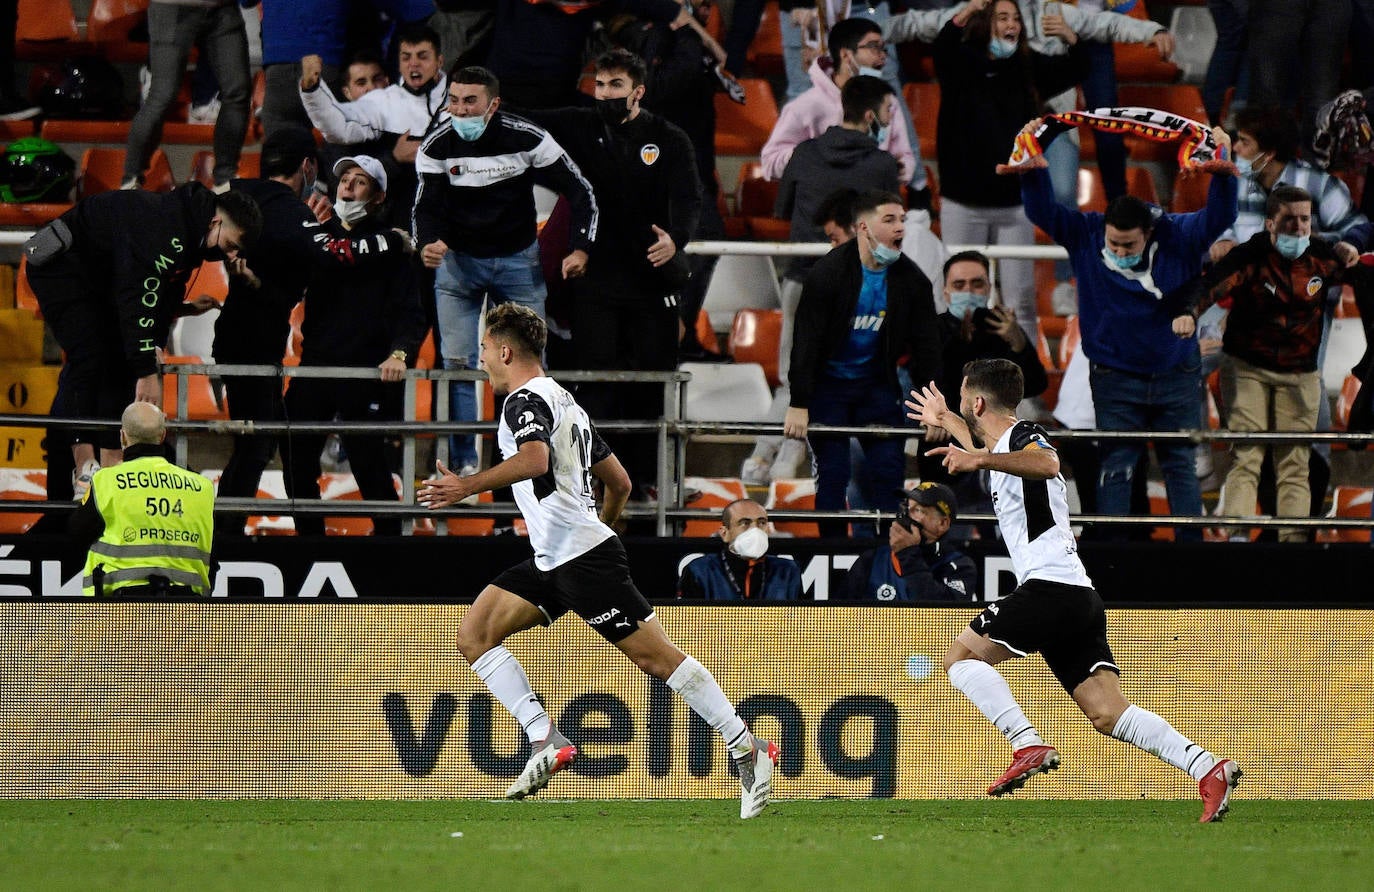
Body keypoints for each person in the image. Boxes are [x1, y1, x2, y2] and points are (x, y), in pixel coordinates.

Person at [417, 303, 778, 819]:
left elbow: (535, 459)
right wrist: (604, 525)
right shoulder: (567, 403)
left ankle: (748, 747)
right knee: (474, 634)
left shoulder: (524, 400)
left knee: (657, 659)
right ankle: (545, 738)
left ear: (503, 349)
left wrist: (467, 486)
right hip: (558, 556)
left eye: (483, 351)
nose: (482, 363)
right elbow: (621, 482)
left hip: (580, 558)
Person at [907, 358, 1240, 823]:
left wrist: (976, 455)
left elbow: (1046, 461)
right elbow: (989, 446)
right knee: (1107, 713)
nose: (963, 407)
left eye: (964, 399)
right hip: (1076, 595)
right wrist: (948, 421)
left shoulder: (1025, 437)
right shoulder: (1003, 445)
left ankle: (1026, 744)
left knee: (960, 660)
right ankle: (1208, 767)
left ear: (978, 401)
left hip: (1050, 588)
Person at [1019, 116, 1238, 541]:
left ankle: (1191, 565)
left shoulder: (1178, 234)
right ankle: (1115, 560)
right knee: (1116, 467)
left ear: (1150, 232)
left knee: (1180, 468)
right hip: (1115, 377)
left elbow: (1222, 212)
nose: (1118, 251)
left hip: (1175, 374)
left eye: (1129, 245)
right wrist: (1033, 158)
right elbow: (1040, 210)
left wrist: (1222, 169)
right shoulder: (1087, 232)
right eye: (1113, 244)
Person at [519, 48, 701, 500]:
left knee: (652, 387)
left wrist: (676, 239)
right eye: (599, 85)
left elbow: (690, 199)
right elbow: (527, 119)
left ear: (637, 91)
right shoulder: (581, 126)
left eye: (615, 86)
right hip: (596, 281)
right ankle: (597, 482)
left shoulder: (670, 139)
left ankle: (650, 482)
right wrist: (485, 104)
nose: (605, 94)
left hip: (652, 281)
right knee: (596, 386)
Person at [414, 64, 597, 478]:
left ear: (493, 104)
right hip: (458, 264)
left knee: (528, 365)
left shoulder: (528, 137)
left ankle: (530, 457)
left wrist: (580, 247)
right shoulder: (437, 144)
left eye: (470, 101)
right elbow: (423, 207)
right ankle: (464, 461)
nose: (459, 110)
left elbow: (580, 189)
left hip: (518, 262)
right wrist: (426, 241)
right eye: (454, 100)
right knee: (458, 363)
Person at [24, 182, 262, 500]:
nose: (230, 255)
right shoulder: (168, 229)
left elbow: (159, 295)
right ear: (217, 223)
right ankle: (84, 467)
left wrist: (161, 338)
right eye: (231, 245)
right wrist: (147, 369)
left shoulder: (193, 235)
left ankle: (109, 467)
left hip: (100, 281)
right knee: (91, 355)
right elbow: (137, 295)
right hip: (60, 268)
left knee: (120, 359)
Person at [1186, 185, 1351, 542]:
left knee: (1295, 462)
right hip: (1247, 368)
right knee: (1248, 454)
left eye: (1304, 219)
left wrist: (1350, 249)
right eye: (1289, 219)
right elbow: (1210, 286)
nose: (1298, 227)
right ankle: (1239, 542)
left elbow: (1360, 274)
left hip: (1301, 373)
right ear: (1270, 223)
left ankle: (1292, 544)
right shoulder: (1250, 256)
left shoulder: (1323, 256)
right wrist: (1187, 313)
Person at [281, 155, 427, 537]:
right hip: (316, 363)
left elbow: (411, 311)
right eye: (345, 178)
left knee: (369, 463)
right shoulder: (320, 237)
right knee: (295, 453)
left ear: (378, 196)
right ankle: (309, 541)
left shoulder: (392, 247)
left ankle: (389, 549)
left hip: (365, 368)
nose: (348, 185)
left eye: (360, 181)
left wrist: (399, 353)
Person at [927, 0, 1087, 346]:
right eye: (1002, 17)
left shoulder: (1028, 67)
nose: (1011, 24)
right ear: (985, 23)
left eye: (1016, 18)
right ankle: (953, 376)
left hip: (1015, 204)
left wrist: (1071, 37)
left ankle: (1022, 384)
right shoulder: (961, 62)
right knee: (956, 300)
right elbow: (942, 47)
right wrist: (968, 10)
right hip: (963, 202)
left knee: (1020, 302)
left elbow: (1077, 68)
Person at [783, 189, 942, 537]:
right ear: (863, 228)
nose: (900, 227)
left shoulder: (912, 281)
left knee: (889, 472)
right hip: (829, 389)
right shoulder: (827, 274)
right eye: (890, 220)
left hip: (876, 386)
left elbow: (927, 349)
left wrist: (933, 406)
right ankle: (831, 557)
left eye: (902, 219)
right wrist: (799, 403)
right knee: (833, 474)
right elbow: (805, 343)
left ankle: (890, 556)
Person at [741, 187, 857, 486]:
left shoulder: (806, 156)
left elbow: (782, 205)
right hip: (809, 286)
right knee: (801, 378)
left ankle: (766, 456)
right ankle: (778, 455)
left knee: (799, 380)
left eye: (834, 238)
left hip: (801, 282)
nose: (831, 245)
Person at [70, 401, 215, 598]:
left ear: (122, 437)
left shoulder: (105, 481)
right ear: (163, 436)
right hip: (187, 610)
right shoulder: (203, 487)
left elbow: (77, 533)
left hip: (121, 612)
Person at [761, 17, 917, 188]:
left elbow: (905, 156)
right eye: (874, 47)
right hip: (821, 206)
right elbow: (770, 163)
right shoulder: (804, 106)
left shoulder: (888, 102)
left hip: (874, 203)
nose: (882, 57)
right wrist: (816, 156)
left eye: (883, 49)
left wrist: (896, 168)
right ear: (846, 55)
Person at [122, 0, 251, 190]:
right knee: (163, 95)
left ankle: (225, 178)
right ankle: (130, 179)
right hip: (173, 6)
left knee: (238, 90)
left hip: (223, 8)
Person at [842, 481, 977, 601]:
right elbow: (839, 616)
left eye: (918, 510)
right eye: (906, 507)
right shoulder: (871, 560)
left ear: (942, 523)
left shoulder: (959, 566)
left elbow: (944, 617)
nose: (906, 515)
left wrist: (908, 554)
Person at [678, 499, 803, 600]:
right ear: (724, 533)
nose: (755, 530)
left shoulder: (788, 571)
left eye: (761, 523)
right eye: (745, 523)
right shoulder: (699, 571)